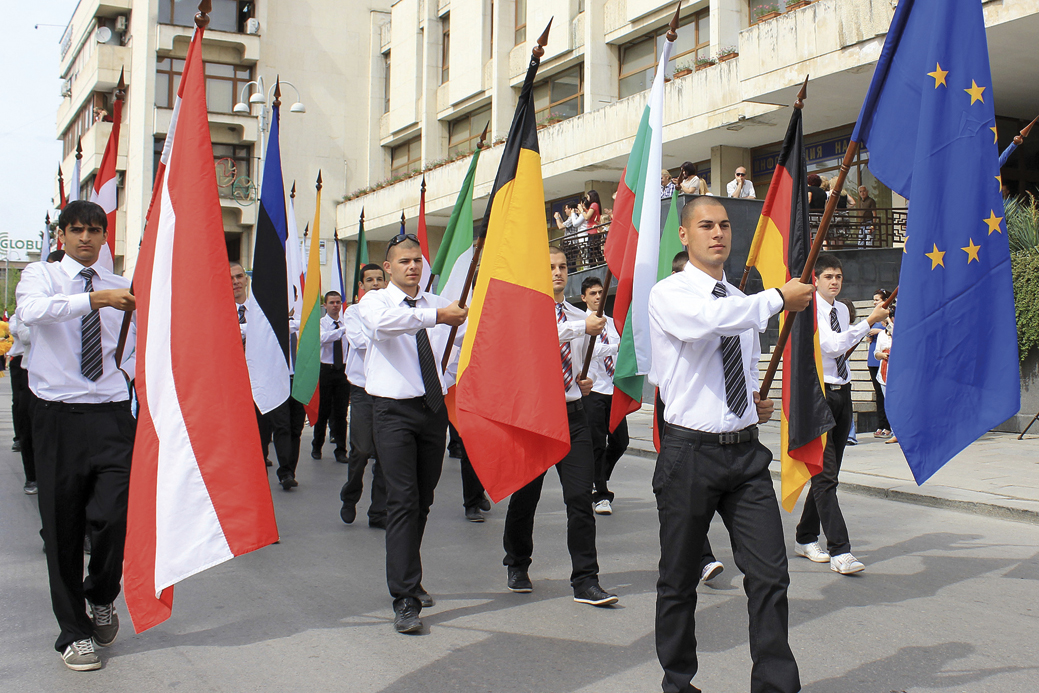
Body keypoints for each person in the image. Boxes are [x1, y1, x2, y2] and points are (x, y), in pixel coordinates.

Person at [648, 196, 815, 693]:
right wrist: (778, 298)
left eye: (724, 225)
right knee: (678, 581)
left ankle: (776, 686)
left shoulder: (737, 297)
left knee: (770, 575)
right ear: (684, 235)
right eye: (705, 225)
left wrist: (748, 407)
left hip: (744, 455)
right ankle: (679, 683)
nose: (717, 233)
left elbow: (731, 366)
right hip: (689, 455)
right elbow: (708, 323)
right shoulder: (670, 293)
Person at [17, 200, 137, 671]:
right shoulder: (41, 277)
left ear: (105, 236)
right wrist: (93, 299)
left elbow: (140, 338)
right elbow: (31, 313)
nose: (86, 238)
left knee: (114, 515)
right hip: (56, 415)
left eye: (94, 230)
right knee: (63, 526)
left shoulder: (121, 286)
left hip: (110, 414)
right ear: (62, 235)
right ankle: (73, 631)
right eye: (76, 230)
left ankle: (102, 593)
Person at [357, 234, 468, 634]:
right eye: (404, 261)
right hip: (392, 411)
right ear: (388, 268)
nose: (413, 267)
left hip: (431, 409)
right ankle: (404, 598)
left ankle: (410, 575)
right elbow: (386, 326)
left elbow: (456, 346)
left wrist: (445, 378)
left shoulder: (438, 304)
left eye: (418, 260)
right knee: (402, 499)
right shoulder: (374, 303)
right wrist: (437, 317)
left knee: (423, 499)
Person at [503, 246, 619, 608]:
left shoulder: (575, 314)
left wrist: (582, 381)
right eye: (550, 266)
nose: (557, 272)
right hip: (536, 418)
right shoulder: (532, 314)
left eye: (562, 266)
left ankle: (586, 579)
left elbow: (587, 355)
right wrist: (579, 327)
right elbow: (537, 341)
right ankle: (517, 562)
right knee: (526, 497)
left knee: (579, 498)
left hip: (573, 415)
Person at [794, 254, 888, 575]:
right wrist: (868, 322)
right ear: (815, 280)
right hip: (818, 394)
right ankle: (840, 549)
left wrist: (863, 324)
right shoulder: (810, 310)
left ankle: (805, 536)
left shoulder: (840, 310)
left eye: (839, 277)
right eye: (829, 277)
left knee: (825, 474)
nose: (834, 282)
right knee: (826, 474)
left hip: (842, 392)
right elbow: (832, 346)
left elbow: (843, 349)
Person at [232, 262, 305, 488]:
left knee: (280, 423)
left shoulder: (261, 309)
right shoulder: (218, 310)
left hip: (266, 374)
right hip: (236, 380)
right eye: (230, 278)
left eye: (238, 276)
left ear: (246, 279)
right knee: (252, 429)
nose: (235, 282)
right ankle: (252, 466)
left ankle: (286, 473)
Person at [339, 264, 388, 528]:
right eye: (370, 280)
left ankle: (378, 511)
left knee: (384, 453)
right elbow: (358, 342)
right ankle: (350, 496)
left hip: (387, 391)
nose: (376, 284)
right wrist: (388, 332)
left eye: (380, 279)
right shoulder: (354, 312)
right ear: (362, 285)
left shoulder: (393, 311)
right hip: (362, 390)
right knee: (361, 449)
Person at [579, 276, 629, 516]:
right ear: (584, 298)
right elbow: (591, 349)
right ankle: (601, 494)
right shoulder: (581, 322)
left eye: (600, 292)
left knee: (621, 441)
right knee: (597, 443)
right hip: (594, 391)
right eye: (592, 293)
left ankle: (596, 478)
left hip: (614, 389)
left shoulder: (612, 323)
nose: (598, 297)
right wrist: (615, 348)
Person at [312, 291, 350, 463]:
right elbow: (322, 339)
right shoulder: (321, 324)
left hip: (342, 371)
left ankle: (341, 450)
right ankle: (317, 445)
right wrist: (342, 331)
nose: (335, 305)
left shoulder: (346, 324)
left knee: (341, 413)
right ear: (325, 305)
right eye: (332, 302)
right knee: (323, 411)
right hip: (325, 370)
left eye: (338, 302)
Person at [9, 313, 35, 494]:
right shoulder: (26, 308)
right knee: (24, 416)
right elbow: (24, 335)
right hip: (28, 369)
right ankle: (32, 477)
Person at [866, 289, 892, 438]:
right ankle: (881, 424)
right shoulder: (874, 317)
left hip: (887, 360)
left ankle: (889, 426)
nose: (875, 302)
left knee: (886, 395)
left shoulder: (890, 317)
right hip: (874, 359)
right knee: (878, 395)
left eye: (877, 299)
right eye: (874, 300)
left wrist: (879, 329)